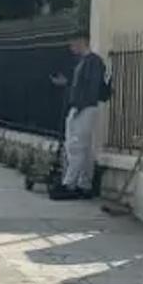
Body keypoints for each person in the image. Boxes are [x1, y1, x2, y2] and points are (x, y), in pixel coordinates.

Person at [49, 33, 108, 200]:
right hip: (81, 107)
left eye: (73, 44)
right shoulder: (84, 61)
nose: (71, 48)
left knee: (76, 147)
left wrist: (79, 107)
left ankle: (69, 184)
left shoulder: (93, 61)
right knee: (84, 149)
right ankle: (84, 184)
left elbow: (92, 87)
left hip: (85, 108)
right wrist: (67, 84)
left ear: (81, 42)